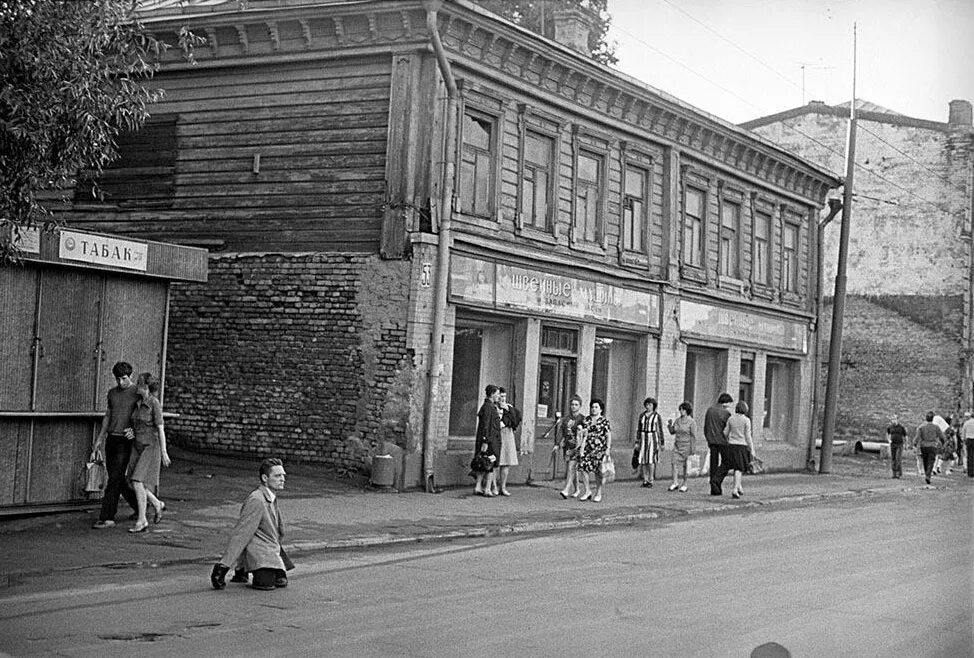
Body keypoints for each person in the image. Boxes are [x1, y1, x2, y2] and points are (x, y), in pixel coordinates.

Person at [211, 458, 293, 591]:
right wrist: (223, 567)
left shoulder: (271, 497)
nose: (282, 479)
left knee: (280, 581)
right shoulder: (256, 500)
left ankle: (242, 570)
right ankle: (242, 568)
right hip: (260, 551)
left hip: (269, 548)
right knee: (266, 584)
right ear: (265, 478)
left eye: (283, 475)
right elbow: (242, 533)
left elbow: (276, 529)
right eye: (277, 476)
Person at [90, 361, 141, 529]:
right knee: (117, 478)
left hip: (126, 441)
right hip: (111, 438)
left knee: (114, 479)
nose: (120, 382)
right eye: (118, 379)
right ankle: (141, 506)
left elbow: (144, 416)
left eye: (124, 378)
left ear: (130, 376)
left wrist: (135, 431)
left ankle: (107, 517)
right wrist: (99, 438)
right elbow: (108, 416)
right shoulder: (112, 393)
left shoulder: (137, 393)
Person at [126, 373, 170, 533]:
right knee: (132, 481)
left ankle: (142, 520)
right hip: (136, 445)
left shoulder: (154, 403)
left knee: (137, 481)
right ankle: (157, 503)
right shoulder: (138, 403)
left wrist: (164, 452)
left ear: (145, 386)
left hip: (150, 446)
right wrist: (131, 431)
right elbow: (135, 423)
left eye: (139, 383)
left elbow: (160, 428)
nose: (136, 385)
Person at [576, 399, 612, 503]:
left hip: (599, 449)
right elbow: (581, 432)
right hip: (586, 447)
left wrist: (608, 448)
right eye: (592, 407)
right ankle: (587, 491)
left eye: (596, 407)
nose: (593, 409)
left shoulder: (604, 421)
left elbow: (608, 435)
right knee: (583, 468)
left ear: (600, 409)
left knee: (598, 472)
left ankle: (598, 492)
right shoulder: (586, 420)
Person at [723, 401, 756, 499]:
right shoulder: (746, 420)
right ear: (745, 409)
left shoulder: (731, 419)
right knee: (739, 469)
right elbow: (748, 436)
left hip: (732, 445)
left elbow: (725, 433)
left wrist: (729, 439)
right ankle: (735, 490)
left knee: (736, 467)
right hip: (741, 446)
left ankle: (739, 487)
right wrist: (752, 448)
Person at [473, 385, 501, 497]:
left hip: (487, 439)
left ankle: (478, 486)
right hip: (490, 441)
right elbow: (486, 425)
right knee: (490, 463)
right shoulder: (489, 407)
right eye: (497, 394)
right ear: (492, 394)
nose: (498, 396)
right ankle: (487, 489)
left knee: (482, 462)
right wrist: (485, 441)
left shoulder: (486, 406)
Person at [704, 392, 734, 496]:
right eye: (729, 403)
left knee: (713, 464)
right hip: (722, 441)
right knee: (728, 462)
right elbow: (728, 429)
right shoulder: (726, 414)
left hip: (711, 441)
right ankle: (717, 479)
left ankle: (714, 489)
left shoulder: (710, 410)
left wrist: (708, 438)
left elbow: (706, 426)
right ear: (725, 402)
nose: (729, 406)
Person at [558, 395, 586, 499]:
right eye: (572, 404)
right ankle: (577, 489)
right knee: (570, 469)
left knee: (571, 467)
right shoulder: (566, 419)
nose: (574, 406)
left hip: (577, 447)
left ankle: (566, 489)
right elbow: (561, 431)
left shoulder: (583, 419)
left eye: (576, 405)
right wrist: (557, 443)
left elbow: (586, 433)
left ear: (580, 406)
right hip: (568, 446)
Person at [667, 401, 698, 492]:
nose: (681, 411)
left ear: (687, 411)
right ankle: (675, 482)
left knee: (686, 465)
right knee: (674, 463)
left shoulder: (691, 422)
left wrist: (693, 449)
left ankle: (685, 483)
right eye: (680, 409)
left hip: (687, 446)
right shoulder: (677, 421)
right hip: (677, 445)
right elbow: (673, 432)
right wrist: (669, 425)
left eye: (683, 410)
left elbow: (693, 436)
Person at [496, 388, 521, 496]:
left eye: (504, 396)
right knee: (496, 462)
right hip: (497, 435)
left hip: (507, 435)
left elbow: (516, 420)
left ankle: (503, 486)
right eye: (501, 396)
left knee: (506, 462)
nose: (502, 399)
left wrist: (507, 409)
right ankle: (493, 486)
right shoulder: (494, 407)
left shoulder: (509, 407)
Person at [635, 397, 664, 488]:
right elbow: (639, 429)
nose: (648, 406)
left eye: (650, 405)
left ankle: (651, 479)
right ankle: (645, 479)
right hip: (644, 437)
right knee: (643, 459)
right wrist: (637, 441)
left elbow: (660, 429)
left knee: (651, 459)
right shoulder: (642, 416)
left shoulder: (656, 416)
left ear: (653, 406)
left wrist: (661, 442)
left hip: (652, 437)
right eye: (647, 405)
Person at [913, 412, 945, 486]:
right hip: (933, 446)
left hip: (923, 446)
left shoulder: (921, 427)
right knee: (931, 461)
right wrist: (943, 443)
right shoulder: (936, 427)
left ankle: (927, 474)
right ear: (932, 419)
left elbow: (917, 437)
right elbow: (942, 436)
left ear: (926, 418)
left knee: (925, 460)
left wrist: (914, 443)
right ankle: (928, 475)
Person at [885, 415, 908, 479]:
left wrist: (906, 445)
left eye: (894, 419)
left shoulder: (901, 427)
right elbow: (887, 433)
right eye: (892, 419)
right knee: (893, 458)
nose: (893, 421)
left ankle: (898, 473)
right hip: (893, 444)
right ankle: (894, 473)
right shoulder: (890, 427)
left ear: (897, 420)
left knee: (898, 458)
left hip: (899, 444)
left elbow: (905, 436)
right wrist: (889, 440)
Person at [962, 411, 974, 478]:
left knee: (970, 456)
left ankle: (970, 472)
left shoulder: (967, 423)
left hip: (969, 440)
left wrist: (963, 440)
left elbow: (963, 432)